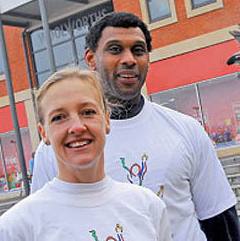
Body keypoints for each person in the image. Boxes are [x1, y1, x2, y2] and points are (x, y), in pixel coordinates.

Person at [31, 12, 240, 241]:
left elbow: (220, 219)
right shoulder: (58, 148)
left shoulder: (186, 130)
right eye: (115, 49)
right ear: (91, 59)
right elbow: (43, 227)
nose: (129, 59)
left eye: (138, 50)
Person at [0, 68, 172, 241]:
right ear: (44, 133)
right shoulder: (17, 227)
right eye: (59, 117)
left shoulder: (147, 205)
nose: (77, 127)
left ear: (107, 120)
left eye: (88, 112)